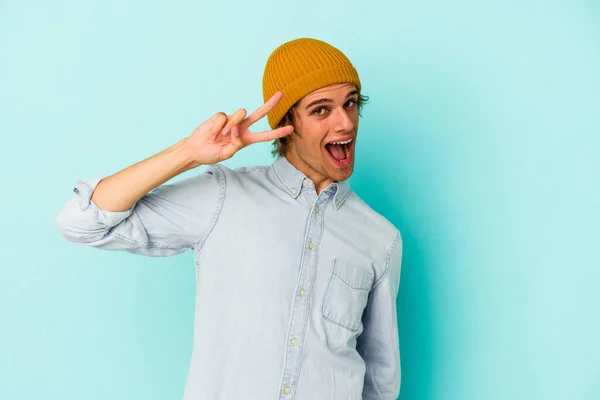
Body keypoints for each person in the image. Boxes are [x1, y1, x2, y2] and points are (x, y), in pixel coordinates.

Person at [56, 38, 403, 400]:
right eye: (321, 110)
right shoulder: (224, 197)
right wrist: (189, 154)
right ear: (287, 123)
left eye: (350, 103)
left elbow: (380, 385)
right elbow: (80, 222)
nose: (345, 122)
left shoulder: (381, 239)